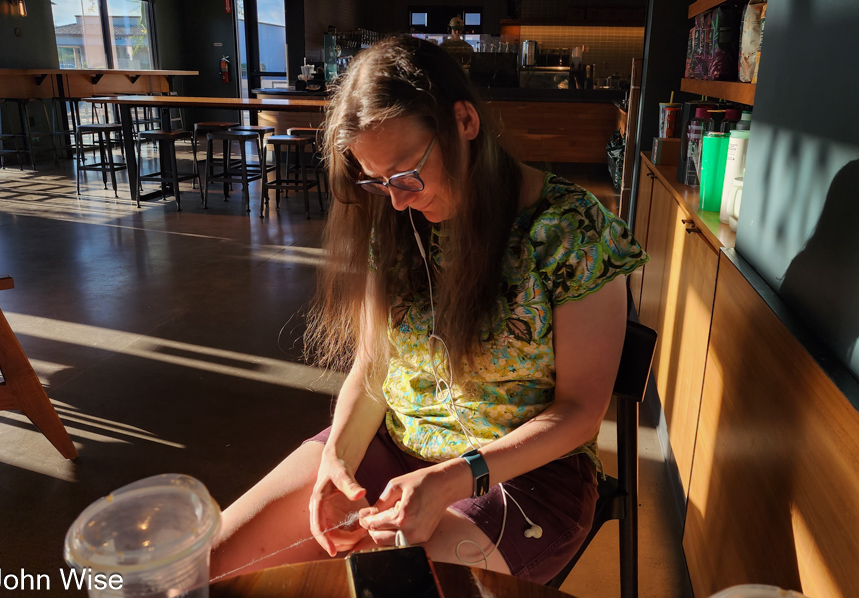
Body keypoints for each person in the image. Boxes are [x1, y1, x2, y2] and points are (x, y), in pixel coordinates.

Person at [210, 35, 647, 585]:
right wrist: (336, 462)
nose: (395, 199)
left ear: (463, 121)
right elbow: (373, 367)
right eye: (376, 181)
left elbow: (580, 411)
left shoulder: (569, 230)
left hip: (526, 474)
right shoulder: (398, 222)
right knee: (205, 566)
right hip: (395, 445)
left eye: (405, 173)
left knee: (398, 586)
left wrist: (453, 479)